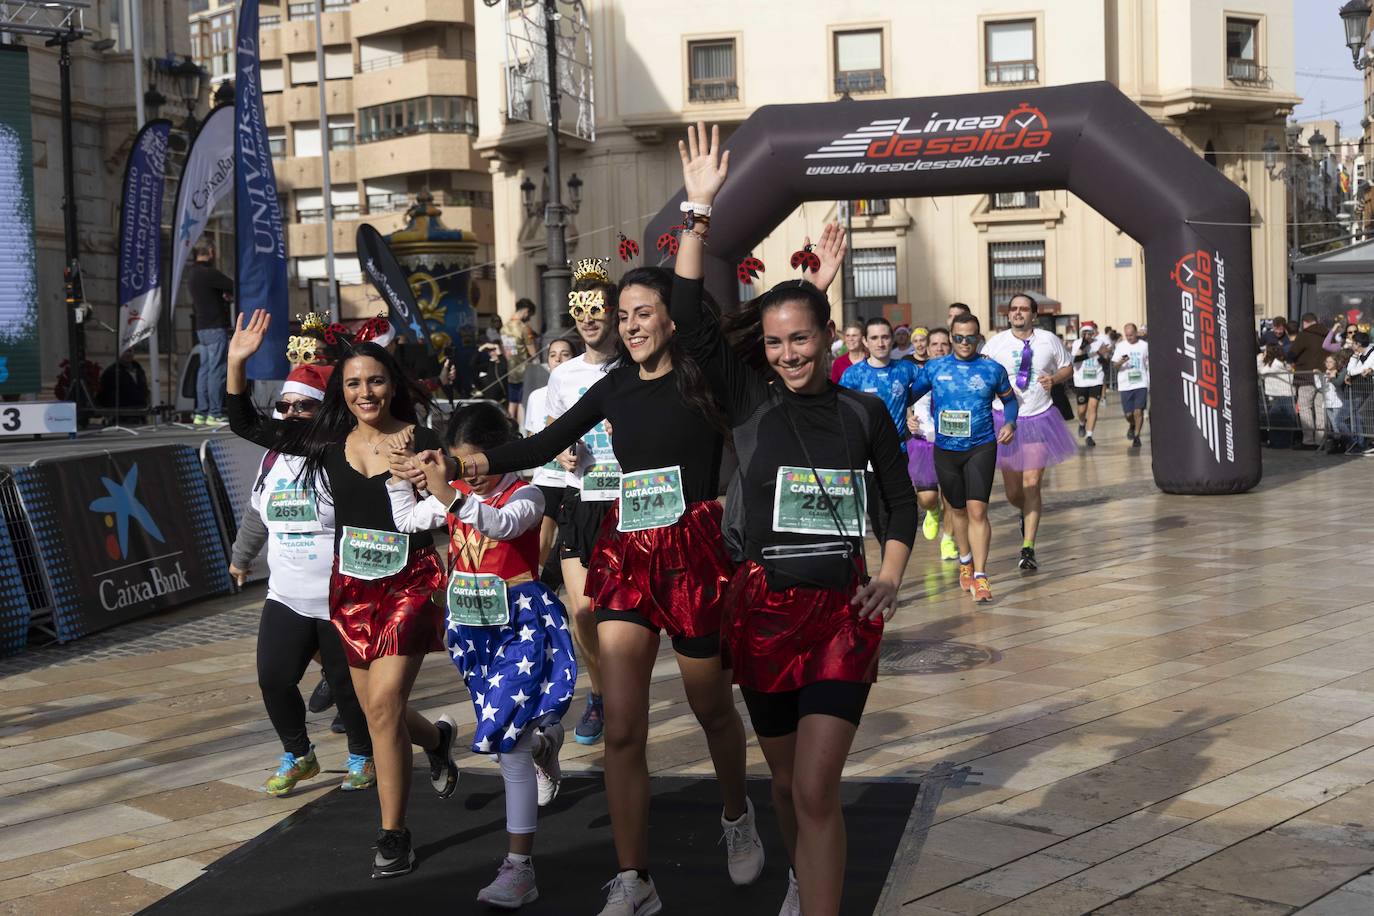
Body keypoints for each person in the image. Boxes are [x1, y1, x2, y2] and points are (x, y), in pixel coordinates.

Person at [451, 247, 817, 912]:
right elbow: (542, 444)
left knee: (710, 709)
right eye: (622, 316)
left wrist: (700, 222)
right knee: (621, 725)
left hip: (696, 556)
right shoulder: (615, 384)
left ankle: (736, 815)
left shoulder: (704, 374)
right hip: (627, 551)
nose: (630, 326)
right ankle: (635, 879)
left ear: (672, 320)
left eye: (642, 314)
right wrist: (477, 460)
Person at [668, 125, 915, 916]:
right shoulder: (748, 402)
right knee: (785, 784)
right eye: (773, 343)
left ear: (827, 337)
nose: (785, 353)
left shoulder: (863, 412)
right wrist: (699, 210)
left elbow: (899, 503)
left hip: (842, 614)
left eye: (800, 338)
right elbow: (688, 314)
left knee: (815, 786)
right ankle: (805, 878)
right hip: (763, 611)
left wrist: (889, 574)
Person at [225, 311, 460, 879]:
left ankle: (393, 833)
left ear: (391, 383)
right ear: (341, 390)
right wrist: (237, 361)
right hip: (350, 590)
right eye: (353, 383)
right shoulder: (326, 441)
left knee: (380, 709)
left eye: (374, 381)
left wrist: (432, 476)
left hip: (409, 586)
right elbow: (244, 423)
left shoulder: (418, 435)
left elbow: (449, 505)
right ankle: (437, 741)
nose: (365, 392)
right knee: (383, 712)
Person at [387, 403, 576, 909]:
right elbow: (406, 519)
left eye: (473, 463)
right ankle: (542, 744)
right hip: (472, 630)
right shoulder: (459, 494)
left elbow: (499, 526)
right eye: (458, 461)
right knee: (511, 735)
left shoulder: (527, 493)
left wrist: (448, 491)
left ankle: (520, 867)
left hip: (520, 624)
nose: (468, 472)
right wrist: (399, 473)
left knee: (504, 748)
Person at [227, 363, 376, 798]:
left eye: (303, 406)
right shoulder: (271, 458)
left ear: (325, 410)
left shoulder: (343, 455)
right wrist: (241, 558)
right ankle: (299, 754)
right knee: (273, 679)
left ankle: (361, 754)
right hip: (286, 595)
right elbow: (257, 514)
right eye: (283, 406)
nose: (290, 413)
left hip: (338, 595)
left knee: (347, 688)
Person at [536, 263, 623, 748]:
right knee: (584, 611)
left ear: (612, 311)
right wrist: (561, 448)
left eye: (597, 307)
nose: (589, 318)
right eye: (580, 309)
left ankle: (624, 690)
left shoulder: (631, 365)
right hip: (580, 497)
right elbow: (552, 433)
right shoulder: (564, 375)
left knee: (625, 612)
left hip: (628, 501)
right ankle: (600, 695)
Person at [909, 312, 1018, 602]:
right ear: (950, 336)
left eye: (970, 337)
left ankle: (981, 576)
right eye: (958, 338)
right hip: (945, 449)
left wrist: (1010, 423)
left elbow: (1010, 402)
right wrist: (906, 417)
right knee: (956, 511)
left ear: (978, 337)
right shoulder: (935, 368)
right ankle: (965, 560)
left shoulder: (992, 369)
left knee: (978, 511)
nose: (964, 342)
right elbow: (909, 396)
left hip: (981, 446)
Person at [980, 294, 1074, 571]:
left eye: (1024, 309)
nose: (1018, 313)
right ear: (1008, 315)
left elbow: (1067, 366)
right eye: (1014, 309)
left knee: (1032, 482)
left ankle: (1028, 547)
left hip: (1040, 417)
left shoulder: (1048, 340)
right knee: (1013, 491)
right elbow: (982, 374)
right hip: (1004, 419)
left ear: (1034, 314)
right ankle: (1024, 511)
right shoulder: (996, 343)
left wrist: (1054, 379)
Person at [838, 316, 920, 539]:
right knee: (878, 518)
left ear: (892, 339)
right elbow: (840, 412)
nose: (880, 342)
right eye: (874, 338)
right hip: (866, 457)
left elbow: (933, 385)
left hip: (898, 453)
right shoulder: (853, 375)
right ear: (865, 341)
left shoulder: (906, 369)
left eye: (885, 337)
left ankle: (892, 566)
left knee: (897, 512)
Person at [523, 337, 578, 573]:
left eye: (564, 353)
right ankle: (540, 591)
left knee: (571, 547)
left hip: (575, 482)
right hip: (546, 480)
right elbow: (531, 437)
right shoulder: (537, 396)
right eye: (553, 354)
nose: (558, 358)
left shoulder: (585, 391)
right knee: (541, 543)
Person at [905, 328, 954, 553]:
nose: (939, 348)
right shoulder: (918, 373)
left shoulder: (958, 373)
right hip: (923, 440)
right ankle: (932, 511)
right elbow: (905, 401)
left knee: (952, 496)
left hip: (952, 441)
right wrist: (909, 420)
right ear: (927, 346)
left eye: (944, 344)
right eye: (935, 344)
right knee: (926, 497)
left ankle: (949, 539)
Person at [188, 241, 233, 426]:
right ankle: (214, 413)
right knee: (217, 370)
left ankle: (201, 412)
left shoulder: (192, 275)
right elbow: (233, 285)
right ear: (211, 252)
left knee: (204, 370)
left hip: (201, 328)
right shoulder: (210, 273)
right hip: (215, 326)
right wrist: (226, 295)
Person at [1288, 312, 1329, 450]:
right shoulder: (1328, 335)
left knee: (1305, 408)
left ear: (1305, 322)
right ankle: (1320, 440)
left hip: (1306, 377)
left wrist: (1291, 361)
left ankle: (1308, 441)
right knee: (1320, 409)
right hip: (1323, 377)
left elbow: (1292, 353)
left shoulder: (1304, 335)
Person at [1070, 322, 1110, 446]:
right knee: (1082, 410)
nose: (1087, 335)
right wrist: (1084, 346)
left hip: (1096, 380)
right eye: (1084, 333)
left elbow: (1105, 361)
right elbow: (1075, 360)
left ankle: (1089, 435)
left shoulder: (1099, 343)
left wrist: (1103, 356)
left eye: (1090, 333)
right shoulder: (1077, 343)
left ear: (1093, 334)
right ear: (1081, 334)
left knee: (1093, 407)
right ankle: (1082, 423)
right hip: (1081, 381)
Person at [1113, 323, 1149, 448]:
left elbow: (1149, 362)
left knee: (1138, 411)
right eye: (1127, 335)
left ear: (1136, 333)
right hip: (1125, 384)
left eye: (1131, 335)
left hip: (1141, 383)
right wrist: (1121, 361)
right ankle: (1132, 425)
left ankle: (1137, 436)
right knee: (1129, 414)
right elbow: (1115, 366)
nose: (1129, 337)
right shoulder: (1121, 346)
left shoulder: (1144, 346)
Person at [503, 298, 540, 422]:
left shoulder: (504, 327)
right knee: (521, 404)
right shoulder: (524, 328)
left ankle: (509, 430)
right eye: (529, 315)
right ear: (526, 311)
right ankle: (520, 431)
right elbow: (533, 353)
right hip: (524, 372)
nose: (529, 318)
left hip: (511, 371)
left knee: (512, 403)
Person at [1257, 344, 1297, 449]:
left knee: (1284, 420)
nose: (1263, 353)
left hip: (1285, 395)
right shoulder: (1273, 363)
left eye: (1265, 351)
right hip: (1278, 395)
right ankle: (1276, 442)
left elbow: (1261, 371)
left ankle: (1284, 443)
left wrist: (1259, 358)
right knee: (1276, 419)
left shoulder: (1276, 363)